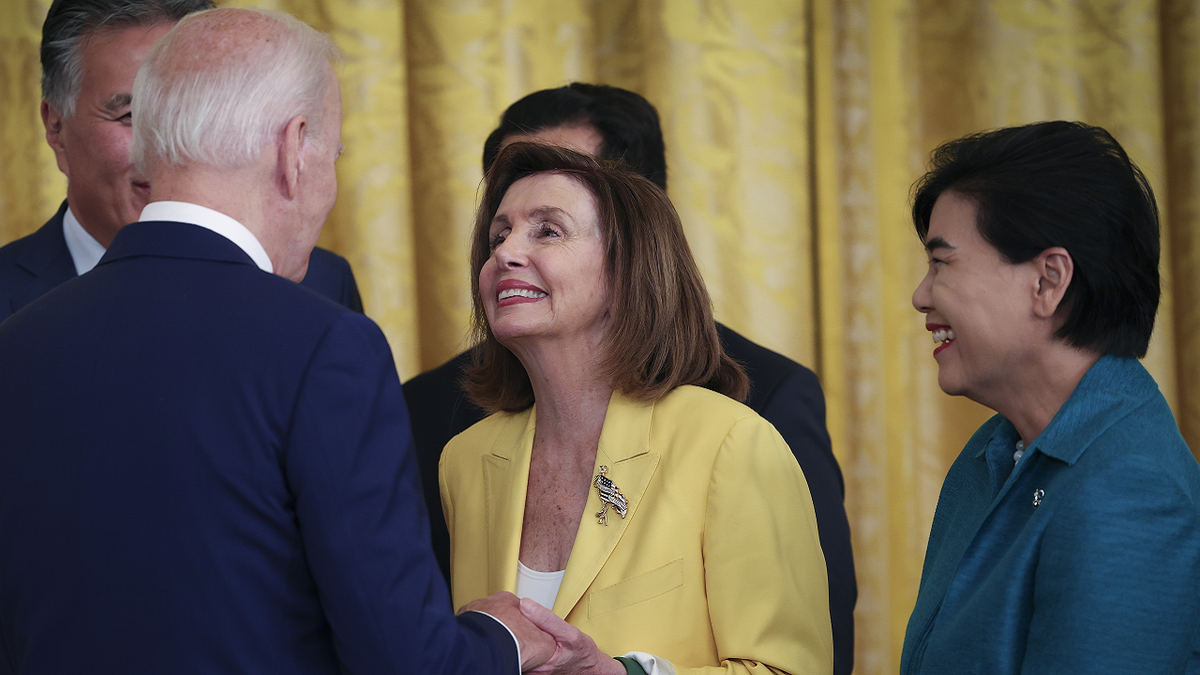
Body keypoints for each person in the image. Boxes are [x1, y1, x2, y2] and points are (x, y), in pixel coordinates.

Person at [0, 8, 555, 674]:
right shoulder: (327, 346)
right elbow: (404, 660)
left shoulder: (17, 343)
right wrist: (503, 634)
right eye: (333, 153)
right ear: (294, 149)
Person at [403, 84, 855, 675]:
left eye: (547, 230)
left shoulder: (729, 442)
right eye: (498, 234)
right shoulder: (465, 460)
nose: (507, 252)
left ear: (628, 266)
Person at [902, 121, 1200, 673]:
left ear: (1048, 281)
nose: (921, 296)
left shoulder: (1129, 488)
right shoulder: (990, 454)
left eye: (941, 263)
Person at [0, 0, 362, 323]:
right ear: (55, 126)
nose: (165, 147)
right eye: (130, 114)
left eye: (185, 114)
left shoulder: (323, 284)